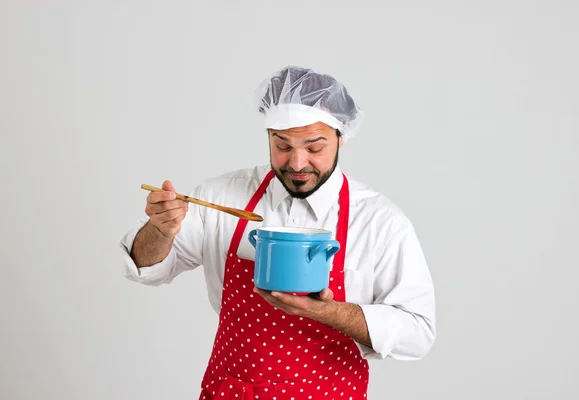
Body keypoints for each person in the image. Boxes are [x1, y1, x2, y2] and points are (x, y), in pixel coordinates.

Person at [120, 65, 436, 399]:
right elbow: (147, 269)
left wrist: (330, 313)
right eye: (282, 145)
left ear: (340, 138)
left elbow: (418, 333)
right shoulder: (222, 196)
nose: (297, 163)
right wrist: (160, 229)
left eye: (314, 148)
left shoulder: (378, 222)